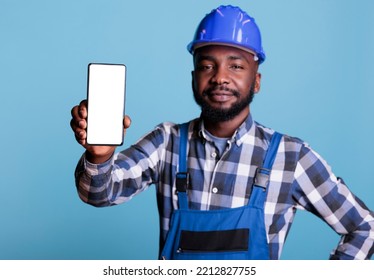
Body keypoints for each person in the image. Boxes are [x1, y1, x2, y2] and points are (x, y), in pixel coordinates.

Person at [70, 5, 374, 260]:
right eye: (207, 66)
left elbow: (365, 228)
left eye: (236, 66)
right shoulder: (166, 143)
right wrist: (100, 154)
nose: (220, 78)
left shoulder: (291, 157)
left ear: (256, 81)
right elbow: (99, 194)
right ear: (194, 78)